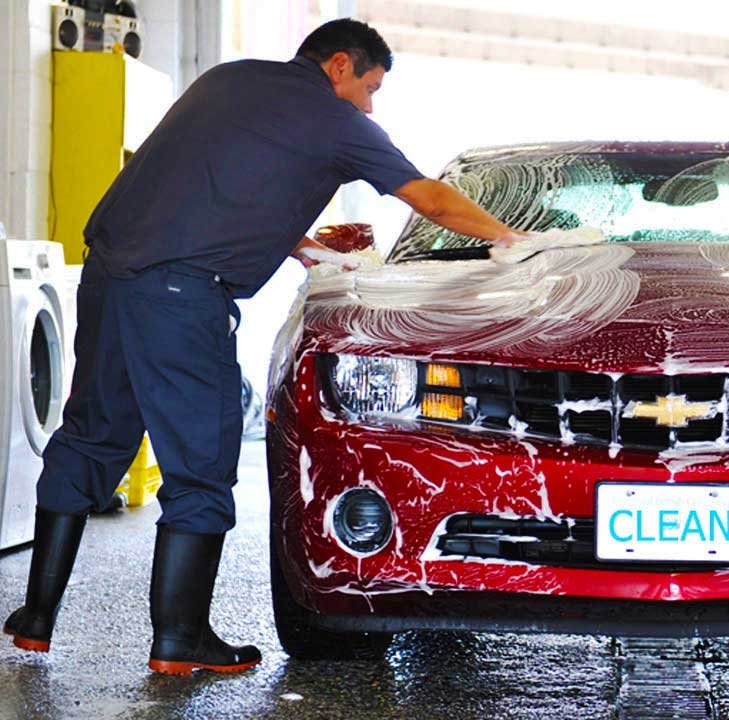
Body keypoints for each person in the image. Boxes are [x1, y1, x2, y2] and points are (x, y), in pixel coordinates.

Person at [3, 19, 536, 675]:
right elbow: (427, 195)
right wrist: (517, 241)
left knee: (90, 437)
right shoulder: (336, 120)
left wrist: (303, 247)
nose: (370, 106)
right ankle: (180, 638)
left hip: (110, 275)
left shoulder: (229, 81)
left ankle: (35, 618)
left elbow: (209, 185)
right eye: (370, 87)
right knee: (201, 460)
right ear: (340, 65)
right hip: (179, 297)